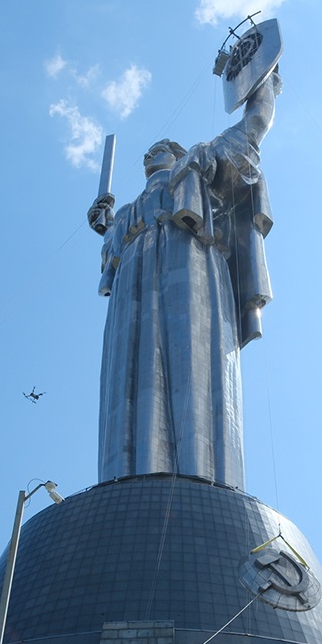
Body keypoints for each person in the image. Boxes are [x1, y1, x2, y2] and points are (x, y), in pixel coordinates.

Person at [88, 69, 282, 491]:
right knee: (131, 380)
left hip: (191, 267)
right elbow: (111, 242)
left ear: (176, 154)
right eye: (149, 153)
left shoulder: (199, 164)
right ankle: (128, 479)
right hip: (132, 292)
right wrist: (104, 223)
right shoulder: (126, 217)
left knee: (191, 363)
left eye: (161, 148)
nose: (152, 153)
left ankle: (201, 480)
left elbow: (253, 129)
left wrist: (262, 77)